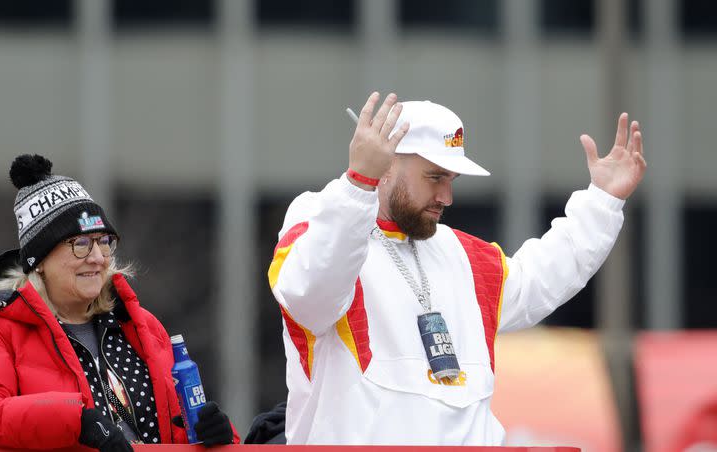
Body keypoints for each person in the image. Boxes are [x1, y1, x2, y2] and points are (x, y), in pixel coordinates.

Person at [267, 92, 646, 445]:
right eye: (435, 177)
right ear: (386, 164)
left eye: (451, 179)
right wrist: (357, 186)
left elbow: (541, 280)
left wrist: (603, 202)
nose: (446, 197)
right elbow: (310, 296)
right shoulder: (317, 221)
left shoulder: (461, 253)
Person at [0, 155, 238, 451]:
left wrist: (216, 437)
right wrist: (71, 420)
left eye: (104, 241)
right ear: (39, 260)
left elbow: (180, 426)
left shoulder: (140, 325)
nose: (97, 258)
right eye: (80, 244)